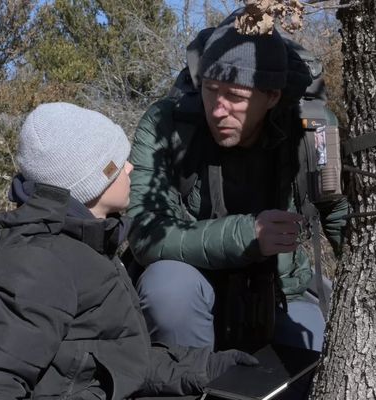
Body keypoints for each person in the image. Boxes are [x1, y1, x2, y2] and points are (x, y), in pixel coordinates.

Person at [0, 102, 257, 399]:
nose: (130, 167)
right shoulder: (39, 264)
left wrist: (208, 368)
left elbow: (116, 361)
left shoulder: (82, 246)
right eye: (117, 163)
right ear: (92, 180)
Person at [127, 10, 348, 354]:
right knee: (167, 290)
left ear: (272, 96)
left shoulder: (312, 131)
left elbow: (339, 214)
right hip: (194, 282)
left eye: (237, 97)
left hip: (282, 287)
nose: (218, 109)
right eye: (211, 90)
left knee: (320, 359)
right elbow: (145, 232)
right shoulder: (169, 123)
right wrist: (248, 235)